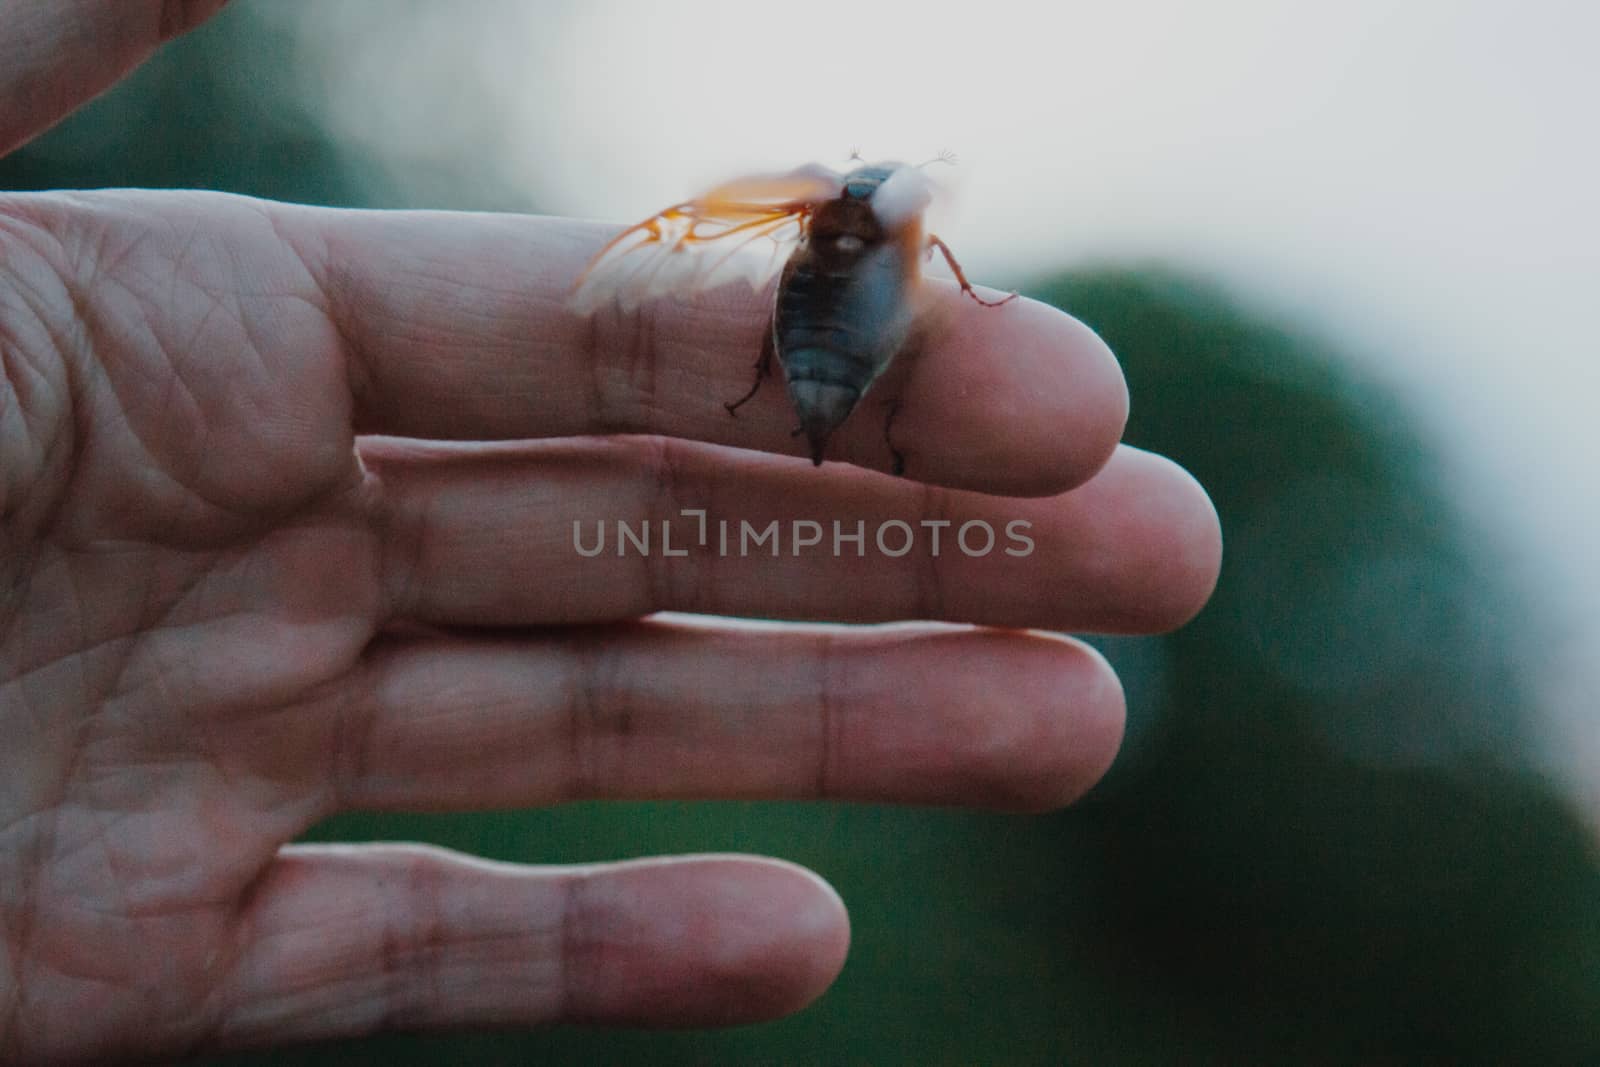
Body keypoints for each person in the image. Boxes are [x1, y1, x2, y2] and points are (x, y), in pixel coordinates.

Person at [0, 1, 1221, 1061]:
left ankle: (808, 396)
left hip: (829, 339)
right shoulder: (884, 236)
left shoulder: (839, 227)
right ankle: (810, 398)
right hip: (832, 342)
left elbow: (846, 267)